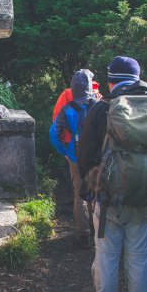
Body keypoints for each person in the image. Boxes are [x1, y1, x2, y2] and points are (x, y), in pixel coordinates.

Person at [77, 56, 147, 292]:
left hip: (109, 196)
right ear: (139, 78)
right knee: (139, 257)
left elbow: (86, 153)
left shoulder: (103, 108)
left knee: (107, 254)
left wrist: (88, 187)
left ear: (111, 80)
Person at [49, 70, 98, 248]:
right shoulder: (98, 105)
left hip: (76, 157)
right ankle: (97, 230)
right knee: (97, 191)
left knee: (80, 193)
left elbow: (53, 135)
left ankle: (82, 233)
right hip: (96, 158)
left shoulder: (67, 108)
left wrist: (67, 152)